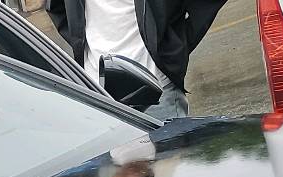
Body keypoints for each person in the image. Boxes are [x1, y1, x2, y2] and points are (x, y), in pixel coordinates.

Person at [47, 0, 224, 120]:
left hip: (157, 93)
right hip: (100, 97)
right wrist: (78, 40)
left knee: (170, 165)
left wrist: (176, 45)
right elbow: (56, 6)